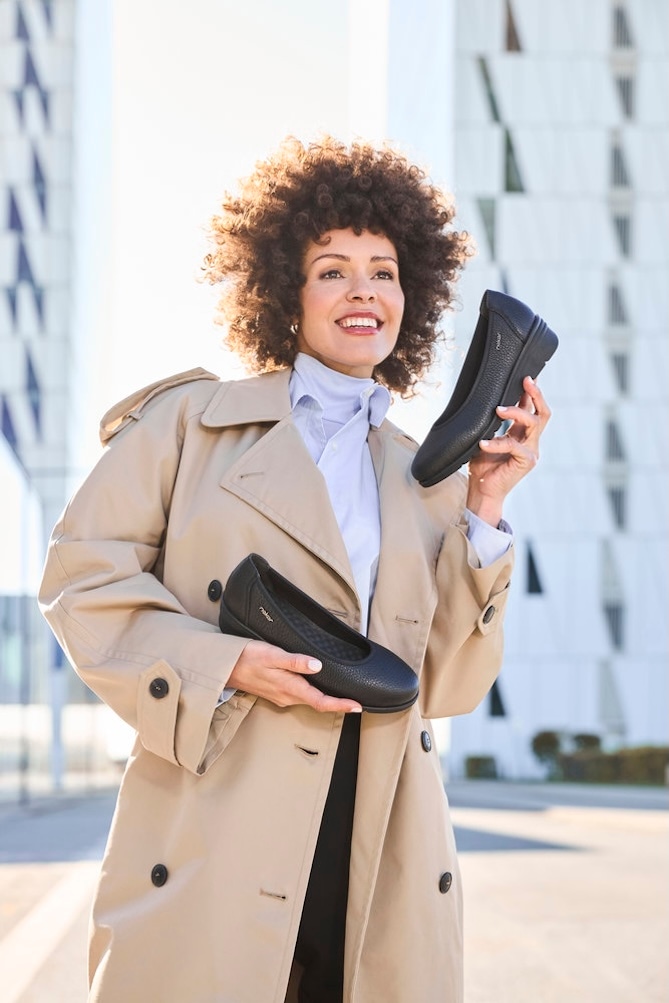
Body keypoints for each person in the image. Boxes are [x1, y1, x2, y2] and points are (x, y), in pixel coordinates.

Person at [38, 136, 551, 1003]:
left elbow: (446, 683)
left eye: (384, 271)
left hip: (377, 835)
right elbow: (81, 580)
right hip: (219, 816)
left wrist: (485, 509)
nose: (363, 291)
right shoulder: (188, 424)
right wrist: (224, 663)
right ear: (284, 289)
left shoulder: (423, 475)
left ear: (410, 297)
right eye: (332, 269)